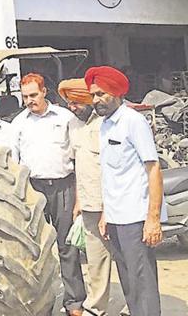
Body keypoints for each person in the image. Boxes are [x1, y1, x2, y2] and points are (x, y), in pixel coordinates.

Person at [85, 66, 166, 316]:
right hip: (116, 218)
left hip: (135, 217)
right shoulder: (105, 125)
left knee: (142, 283)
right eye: (93, 95)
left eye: (101, 94)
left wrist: (152, 219)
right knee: (129, 282)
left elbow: (153, 170)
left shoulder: (133, 121)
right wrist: (106, 214)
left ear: (116, 92)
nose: (96, 100)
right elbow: (111, 175)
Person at [12, 73, 86, 316]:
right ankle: (37, 303)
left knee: (67, 246)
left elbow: (80, 156)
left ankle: (74, 302)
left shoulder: (65, 118)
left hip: (63, 187)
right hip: (33, 190)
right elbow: (14, 162)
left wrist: (79, 197)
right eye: (25, 97)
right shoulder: (19, 123)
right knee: (34, 248)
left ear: (44, 91)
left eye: (33, 95)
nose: (29, 101)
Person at [59, 78, 112, 316]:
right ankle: (95, 308)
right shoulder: (73, 125)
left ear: (88, 99)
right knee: (95, 259)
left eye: (76, 102)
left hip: (115, 203)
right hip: (89, 203)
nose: (72, 107)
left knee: (127, 259)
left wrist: (109, 208)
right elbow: (78, 165)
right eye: (69, 103)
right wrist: (79, 200)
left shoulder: (109, 123)